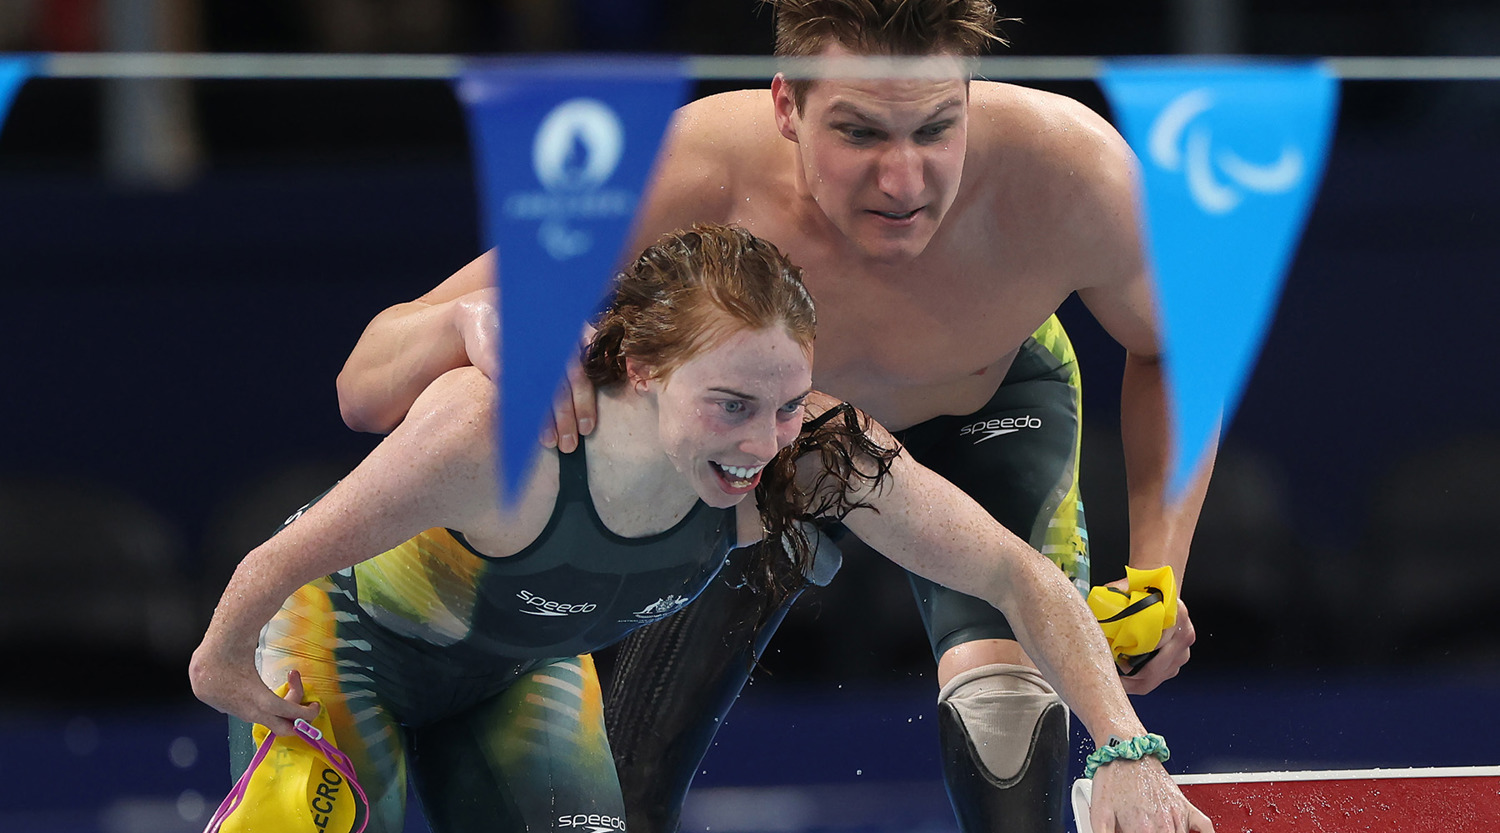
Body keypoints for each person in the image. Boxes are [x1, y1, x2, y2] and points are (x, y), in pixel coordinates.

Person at [335, 2, 1216, 831]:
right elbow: (365, 380)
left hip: (991, 408)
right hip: (771, 451)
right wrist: (467, 322)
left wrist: (1160, 564)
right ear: (787, 105)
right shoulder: (688, 172)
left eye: (937, 127)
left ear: (970, 99)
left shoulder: (1074, 173)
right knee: (624, 795)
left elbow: (1179, 350)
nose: (903, 179)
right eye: (860, 131)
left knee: (1006, 727)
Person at [193, 224, 1210, 833]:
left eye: (785, 403)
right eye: (729, 403)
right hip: (346, 644)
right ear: (641, 367)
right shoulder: (500, 429)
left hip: (518, 670)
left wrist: (1128, 746)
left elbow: (1018, 574)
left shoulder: (813, 454)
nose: (761, 444)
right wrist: (225, 666)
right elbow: (283, 558)